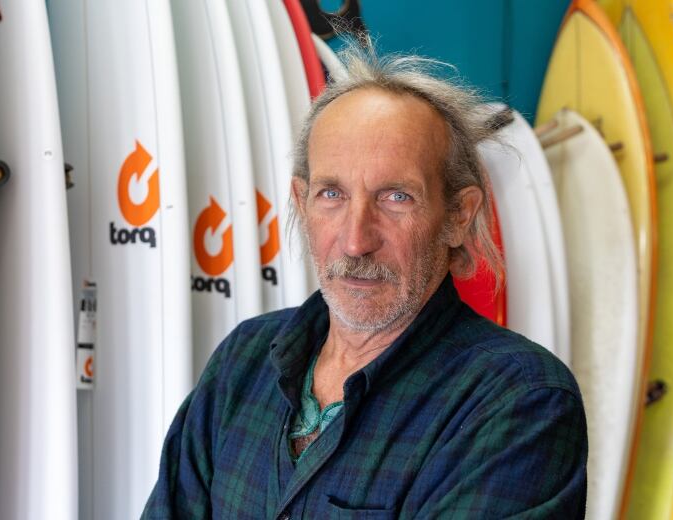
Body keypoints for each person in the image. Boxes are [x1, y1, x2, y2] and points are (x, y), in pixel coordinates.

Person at [142, 41, 587, 519]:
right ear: (302, 202)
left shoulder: (518, 402)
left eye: (396, 197)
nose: (356, 241)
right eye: (332, 193)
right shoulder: (244, 359)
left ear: (459, 215)